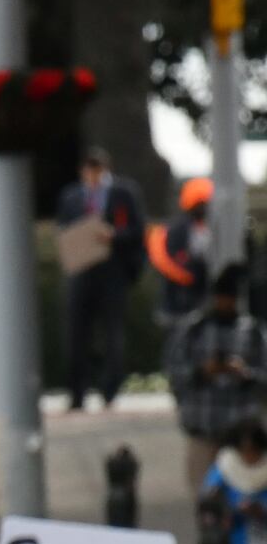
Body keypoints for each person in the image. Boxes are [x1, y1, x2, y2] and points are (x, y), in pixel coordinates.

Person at [56, 145, 149, 413]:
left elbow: (137, 229)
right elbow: (63, 229)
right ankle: (77, 392)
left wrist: (114, 236)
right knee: (76, 334)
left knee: (112, 333)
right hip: (81, 270)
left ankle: (110, 388)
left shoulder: (123, 193)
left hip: (112, 271)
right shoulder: (72, 196)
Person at [171, 264, 267, 501]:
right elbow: (175, 373)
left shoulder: (252, 331)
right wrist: (202, 372)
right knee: (204, 497)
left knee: (244, 497)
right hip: (203, 428)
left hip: (239, 437)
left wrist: (245, 375)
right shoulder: (194, 329)